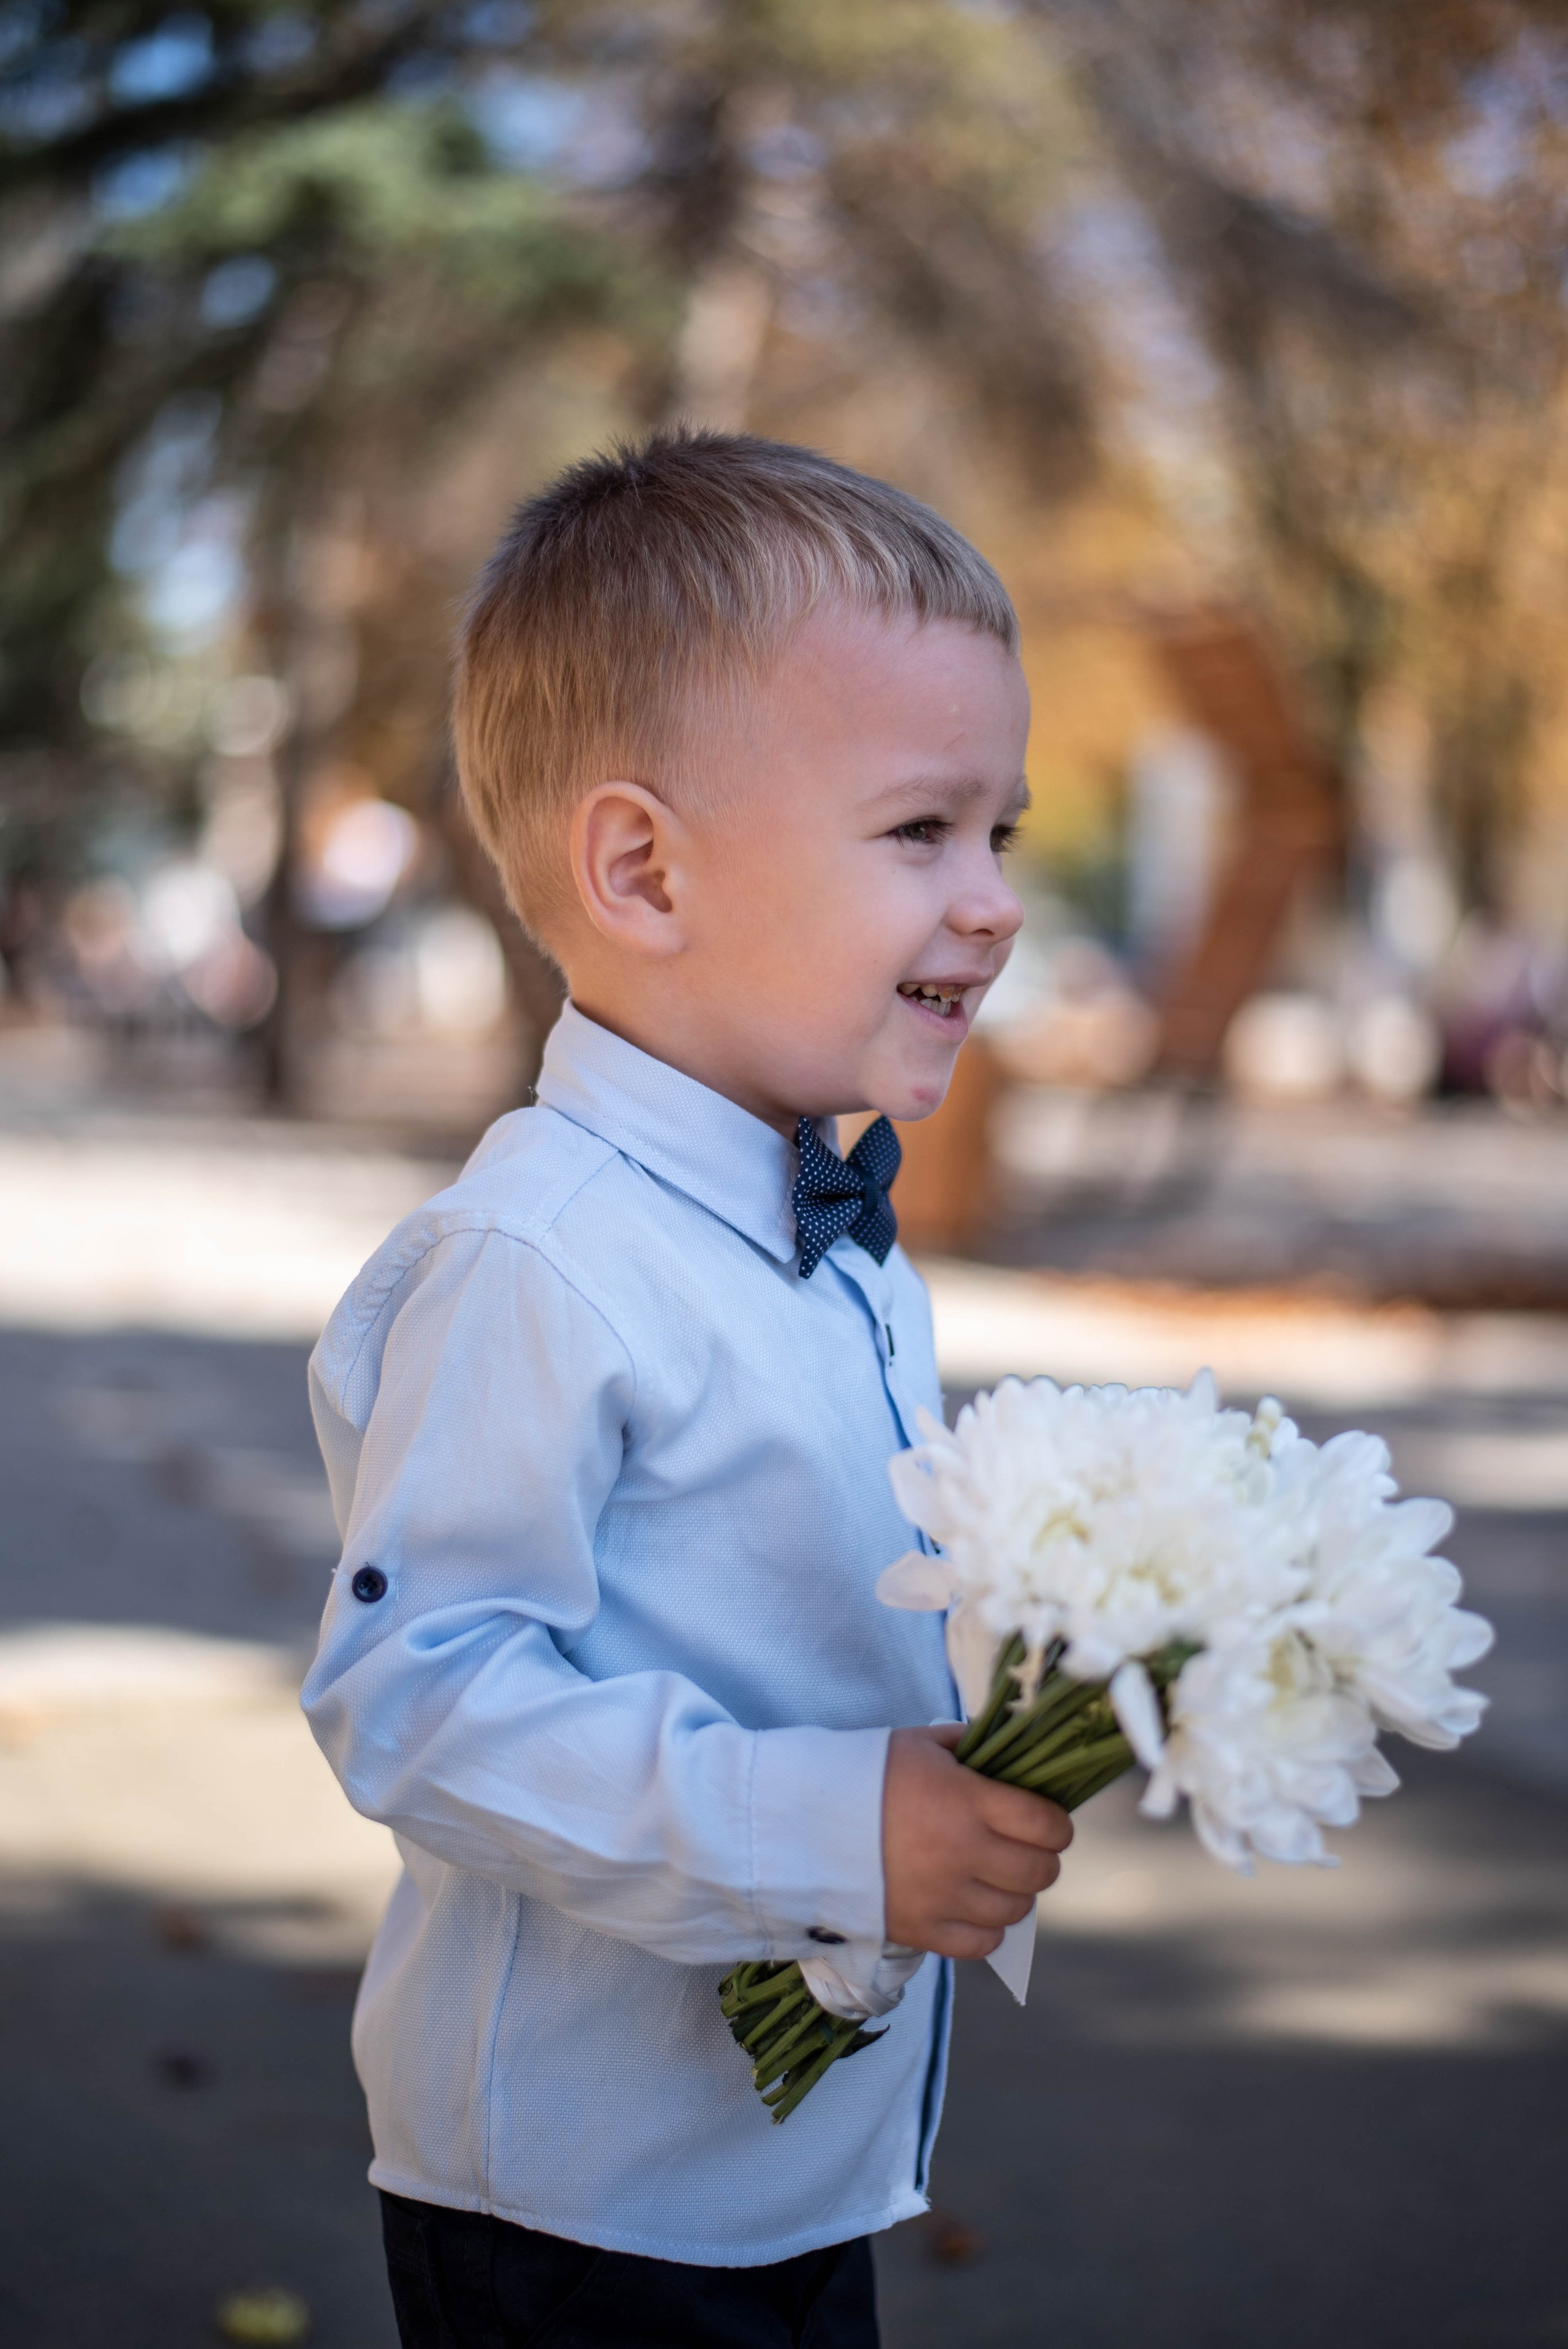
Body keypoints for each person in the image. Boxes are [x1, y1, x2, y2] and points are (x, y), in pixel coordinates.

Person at [302, 428, 1073, 2349]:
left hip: (786, 2150)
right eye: (921, 832)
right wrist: (827, 1831)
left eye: (1007, 835)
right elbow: (417, 1694)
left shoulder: (832, 1230)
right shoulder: (544, 1257)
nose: (990, 900)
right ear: (642, 866)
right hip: (583, 2198)